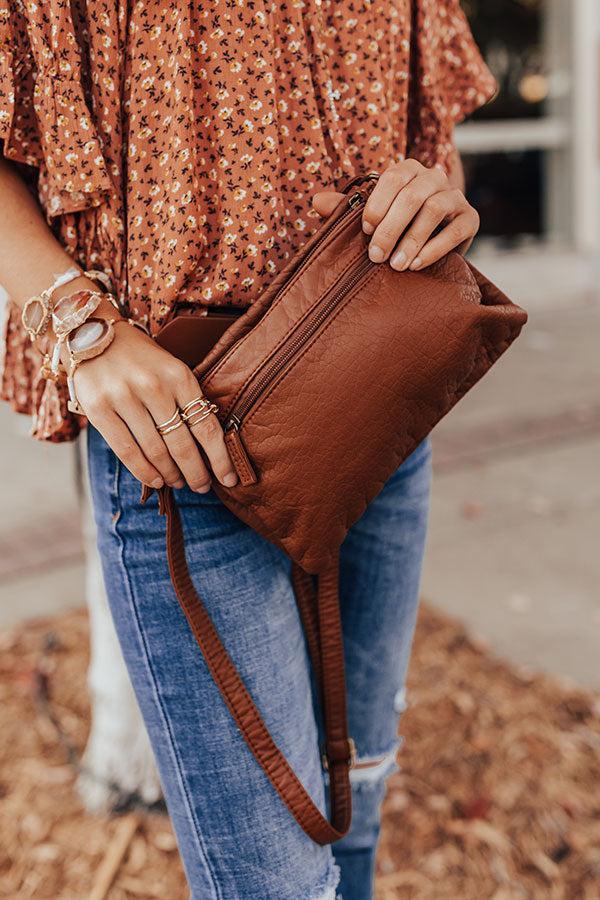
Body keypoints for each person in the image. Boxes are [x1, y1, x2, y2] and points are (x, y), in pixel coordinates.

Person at [0, 2, 496, 897]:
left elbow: (429, 128)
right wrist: (83, 328)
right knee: (275, 882)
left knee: (361, 799)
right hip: (180, 438)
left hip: (377, 400)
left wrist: (436, 198)